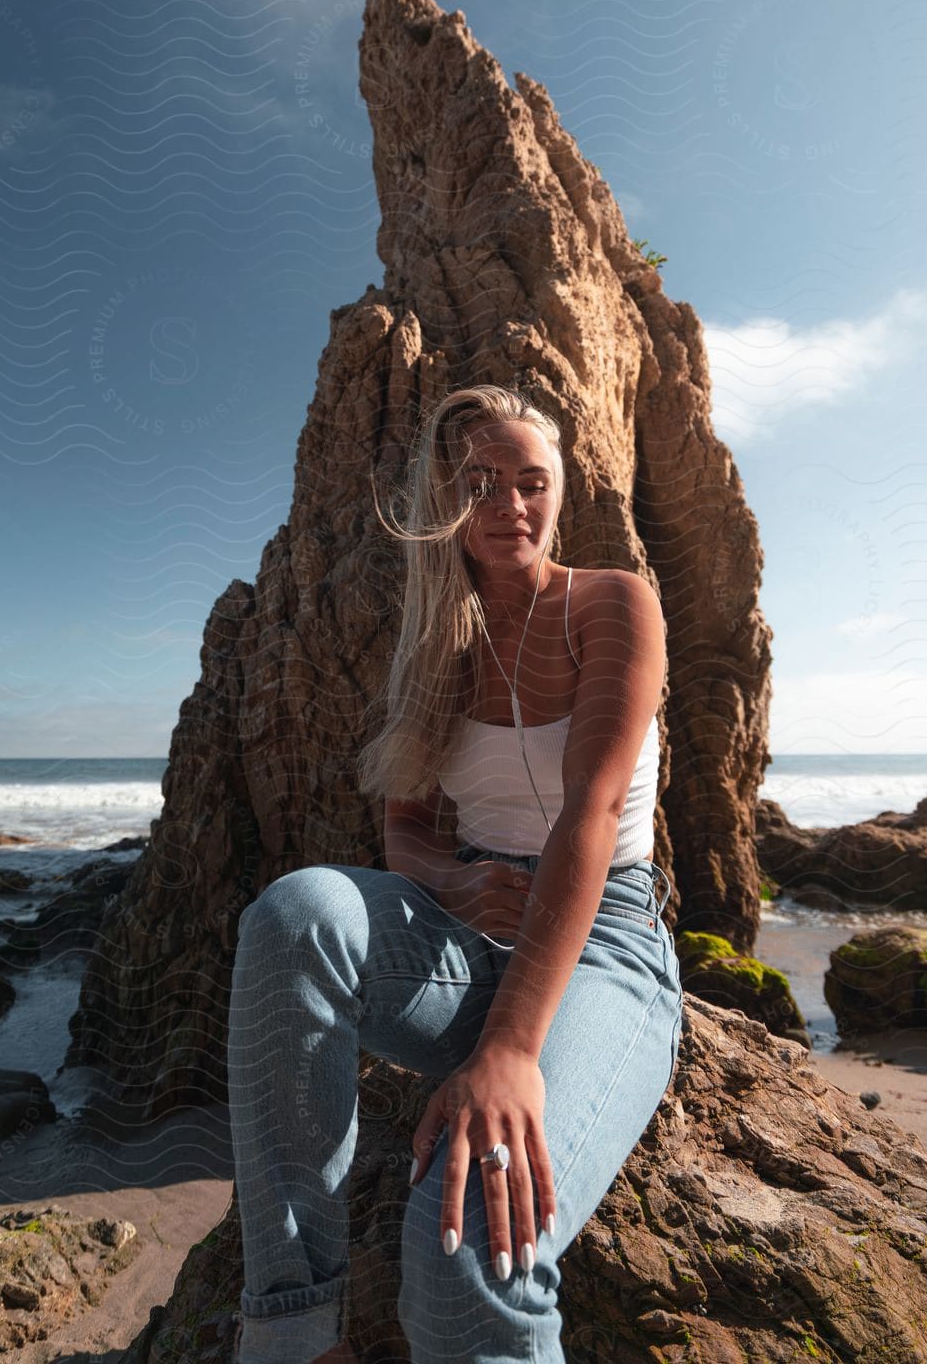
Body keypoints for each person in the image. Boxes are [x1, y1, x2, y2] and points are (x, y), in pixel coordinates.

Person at [227, 384, 683, 1363]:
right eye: (482, 485)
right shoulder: (436, 645)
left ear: (560, 490)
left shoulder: (613, 603)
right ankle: (293, 1333)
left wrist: (512, 1050)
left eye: (532, 482)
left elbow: (592, 816)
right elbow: (404, 836)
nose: (512, 506)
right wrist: (459, 884)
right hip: (466, 949)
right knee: (292, 914)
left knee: (466, 1236)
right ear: (444, 500)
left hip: (604, 945)